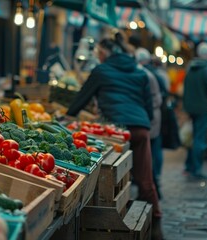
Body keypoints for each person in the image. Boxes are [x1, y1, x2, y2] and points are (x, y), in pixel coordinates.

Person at [66, 31, 163, 240]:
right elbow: (147, 104)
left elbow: (81, 99)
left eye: (99, 53)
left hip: (116, 129)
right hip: (140, 128)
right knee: (145, 180)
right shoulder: (139, 71)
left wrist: (66, 117)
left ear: (104, 53)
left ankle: (109, 223)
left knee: (112, 173)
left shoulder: (101, 70)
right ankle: (156, 224)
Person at [182, 42, 207, 180]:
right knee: (199, 140)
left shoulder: (190, 68)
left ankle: (189, 166)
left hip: (191, 108)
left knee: (193, 137)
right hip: (203, 108)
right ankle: (196, 169)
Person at [135, 47, 164, 199]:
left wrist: (148, 116)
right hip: (150, 117)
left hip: (149, 117)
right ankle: (153, 186)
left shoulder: (144, 74)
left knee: (148, 155)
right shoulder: (151, 73)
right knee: (151, 152)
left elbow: (155, 99)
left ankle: (152, 188)